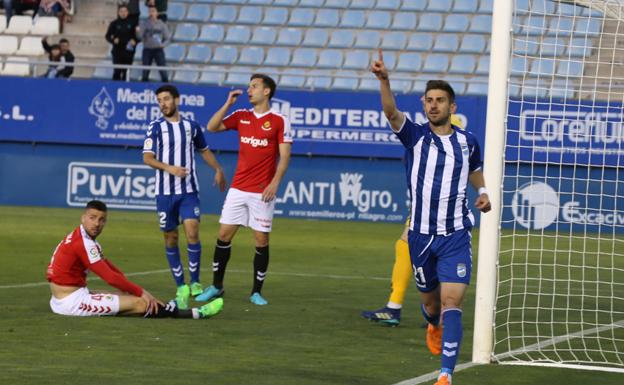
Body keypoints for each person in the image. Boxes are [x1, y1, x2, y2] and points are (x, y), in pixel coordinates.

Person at [372, 48, 491, 385]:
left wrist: (482, 193)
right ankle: (433, 323)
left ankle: (446, 374)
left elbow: (475, 170)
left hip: (455, 234)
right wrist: (385, 80)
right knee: (432, 306)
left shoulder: (467, 142)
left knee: (453, 301)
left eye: (439, 100)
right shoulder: (416, 136)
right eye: (428, 100)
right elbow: (390, 111)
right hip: (420, 236)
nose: (433, 104)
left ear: (452, 108)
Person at [196, 74, 293, 306]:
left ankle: (256, 292)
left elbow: (285, 156)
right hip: (238, 188)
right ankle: (217, 287)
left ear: (267, 91)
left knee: (260, 239)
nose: (249, 90)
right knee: (223, 236)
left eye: (254, 86)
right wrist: (228, 103)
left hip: (262, 191)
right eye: (249, 86)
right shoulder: (241, 116)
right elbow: (211, 127)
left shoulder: (280, 120)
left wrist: (275, 183)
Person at [361, 116, 464, 327]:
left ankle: (425, 311)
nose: (430, 103)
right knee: (406, 246)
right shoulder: (424, 130)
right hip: (426, 204)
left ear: (451, 105)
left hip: (436, 209)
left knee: (425, 251)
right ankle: (409, 308)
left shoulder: (450, 128)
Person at [46, 200, 223, 319]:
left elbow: (112, 269)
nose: (97, 223)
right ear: (83, 217)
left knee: (128, 296)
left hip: (70, 295)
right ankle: (195, 313)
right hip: (71, 303)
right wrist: (141, 292)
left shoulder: (83, 238)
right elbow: (110, 277)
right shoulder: (83, 243)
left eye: (102, 220)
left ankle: (162, 305)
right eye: (92, 218)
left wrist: (131, 289)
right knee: (140, 303)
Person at [143, 84, 227, 310]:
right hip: (164, 193)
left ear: (177, 100)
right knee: (171, 237)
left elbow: (204, 150)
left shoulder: (191, 127)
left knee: (192, 230)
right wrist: (169, 168)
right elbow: (148, 158)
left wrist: (218, 169)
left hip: (188, 191)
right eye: (159, 100)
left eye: (167, 99)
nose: (163, 104)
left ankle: (196, 281)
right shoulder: (155, 127)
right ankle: (181, 285)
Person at [137, 5, 169, 82]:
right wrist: (138, 32)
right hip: (147, 50)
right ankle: (144, 88)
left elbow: (167, 38)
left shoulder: (162, 24)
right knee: (145, 72)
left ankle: (166, 87)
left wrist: (163, 45)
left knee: (163, 71)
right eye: (150, 11)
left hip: (158, 50)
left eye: (153, 11)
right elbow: (139, 37)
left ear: (157, 13)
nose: (151, 13)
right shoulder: (144, 24)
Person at [105, 4, 137, 81]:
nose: (123, 13)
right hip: (117, 51)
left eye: (125, 11)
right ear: (118, 12)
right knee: (117, 71)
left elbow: (137, 37)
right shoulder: (114, 23)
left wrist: (135, 40)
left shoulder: (132, 23)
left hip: (128, 51)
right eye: (121, 11)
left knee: (126, 72)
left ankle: (124, 91)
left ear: (128, 12)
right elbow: (107, 36)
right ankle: (114, 89)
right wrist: (113, 40)